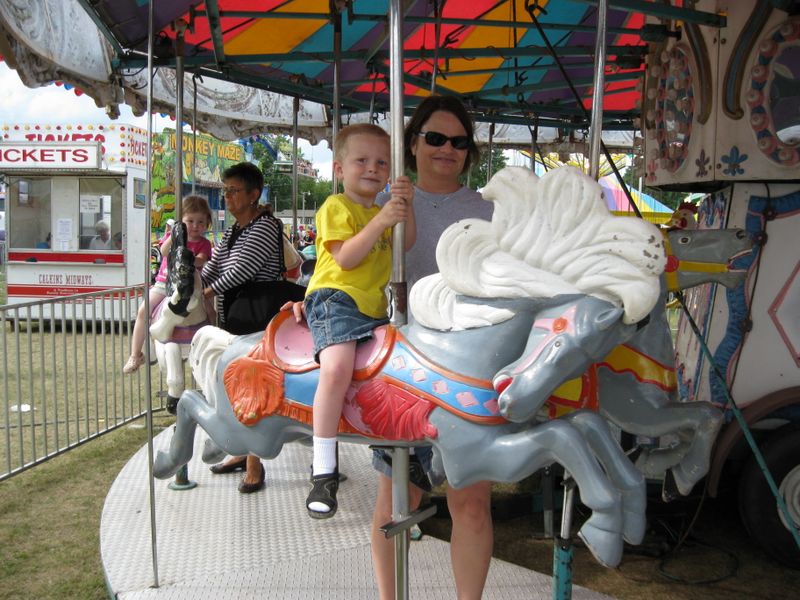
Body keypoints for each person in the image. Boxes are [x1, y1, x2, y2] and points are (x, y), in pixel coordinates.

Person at [369, 95, 494, 600]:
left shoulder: (488, 211)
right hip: (407, 359)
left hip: (470, 362)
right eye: (436, 138)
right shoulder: (387, 202)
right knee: (398, 494)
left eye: (459, 141)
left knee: (472, 501)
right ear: (414, 143)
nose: (448, 149)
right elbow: (351, 267)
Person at [304, 123, 414, 519]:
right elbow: (346, 258)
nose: (372, 168)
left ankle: (394, 447)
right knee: (336, 369)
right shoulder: (336, 207)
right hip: (335, 299)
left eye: (381, 162)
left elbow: (408, 242)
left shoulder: (378, 212)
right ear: (339, 169)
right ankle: (324, 469)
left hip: (372, 308)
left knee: (397, 372)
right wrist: (382, 220)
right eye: (362, 160)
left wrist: (405, 206)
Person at [203, 161, 285, 494]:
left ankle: (254, 461)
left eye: (234, 191)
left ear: (253, 195)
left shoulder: (265, 226)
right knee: (233, 383)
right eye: (226, 191)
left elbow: (242, 270)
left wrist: (207, 290)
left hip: (258, 315)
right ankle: (239, 450)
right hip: (238, 313)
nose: (227, 198)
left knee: (251, 384)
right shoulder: (235, 229)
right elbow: (215, 265)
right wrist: (193, 284)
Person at [124, 196, 212, 374]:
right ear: (181, 221)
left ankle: (212, 348)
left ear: (207, 223)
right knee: (143, 311)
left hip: (190, 287)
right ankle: (135, 354)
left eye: (201, 222)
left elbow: (201, 260)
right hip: (164, 283)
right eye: (190, 221)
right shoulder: (173, 236)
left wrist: (188, 259)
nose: (195, 226)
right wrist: (174, 236)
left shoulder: (204, 243)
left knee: (211, 312)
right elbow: (164, 252)